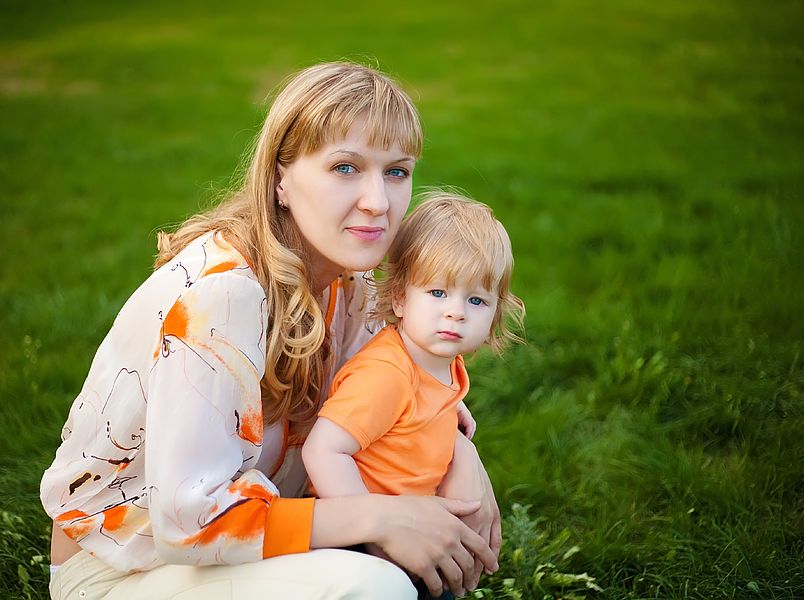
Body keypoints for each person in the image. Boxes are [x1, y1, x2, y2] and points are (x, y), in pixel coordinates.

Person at [39, 61, 500, 600]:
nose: (378, 201)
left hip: (251, 537)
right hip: (127, 568)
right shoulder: (220, 296)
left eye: (396, 171)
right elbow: (188, 523)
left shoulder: (350, 277)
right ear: (281, 178)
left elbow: (401, 395)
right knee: (375, 588)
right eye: (346, 168)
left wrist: (463, 459)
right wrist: (379, 518)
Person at [302, 191, 524, 500]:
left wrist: (449, 409)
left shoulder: (435, 363)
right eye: (437, 292)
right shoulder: (386, 376)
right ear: (400, 298)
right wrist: (373, 525)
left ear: (495, 312)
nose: (456, 312)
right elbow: (322, 450)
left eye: (476, 300)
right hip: (361, 531)